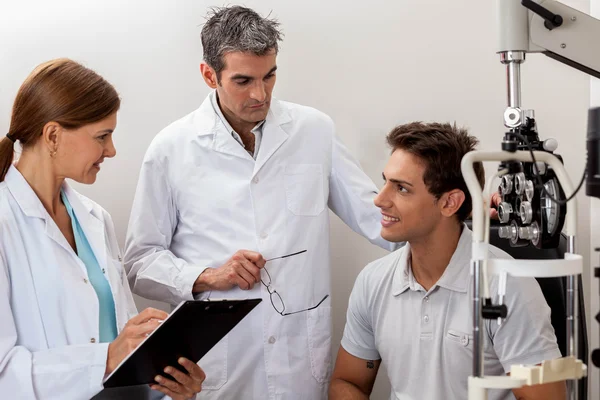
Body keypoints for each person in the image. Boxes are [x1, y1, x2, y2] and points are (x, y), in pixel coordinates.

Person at [123, 5, 398, 399]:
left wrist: (463, 213)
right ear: (208, 75)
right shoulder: (171, 149)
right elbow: (140, 261)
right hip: (217, 366)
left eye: (269, 76)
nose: (260, 93)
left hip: (299, 361)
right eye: (243, 80)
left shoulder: (313, 130)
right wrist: (208, 277)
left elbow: (377, 218)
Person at [0, 58, 205, 400]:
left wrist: (171, 387)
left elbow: (126, 356)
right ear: (53, 135)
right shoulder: (5, 223)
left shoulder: (95, 219)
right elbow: (5, 374)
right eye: (102, 136)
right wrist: (105, 358)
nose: (111, 150)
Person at [328, 122, 565, 400]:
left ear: (450, 202)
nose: (380, 199)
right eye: (385, 182)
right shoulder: (373, 281)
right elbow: (347, 382)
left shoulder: (507, 287)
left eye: (401, 189)